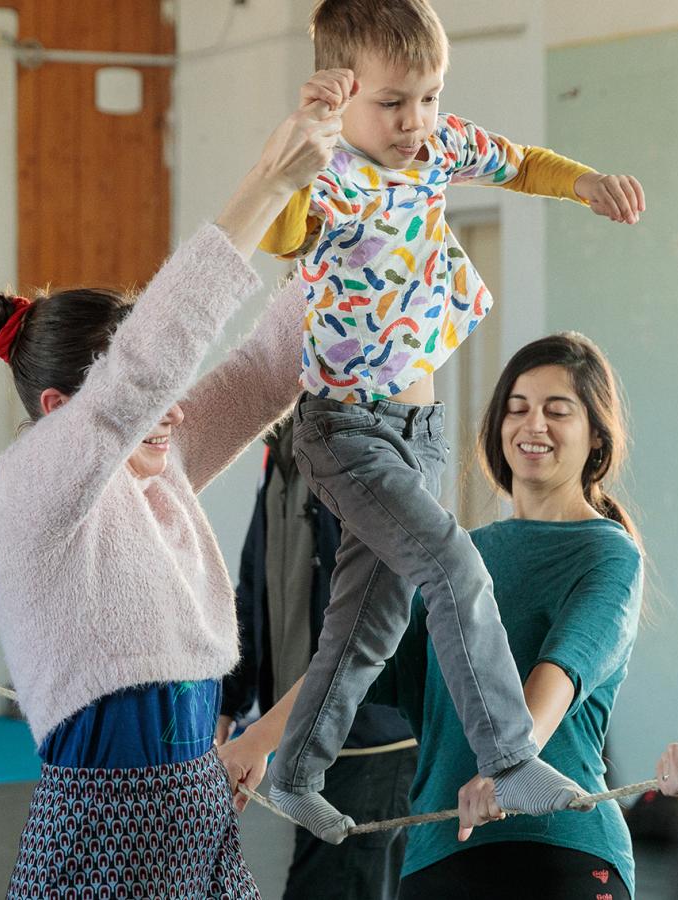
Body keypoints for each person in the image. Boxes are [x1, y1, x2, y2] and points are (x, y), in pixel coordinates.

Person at [256, 0, 646, 840]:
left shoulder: (436, 146)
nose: (414, 120)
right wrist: (303, 139)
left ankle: (295, 772)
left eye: (428, 96)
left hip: (419, 435)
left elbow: (519, 163)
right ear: (341, 93)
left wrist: (585, 184)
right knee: (455, 565)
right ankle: (509, 755)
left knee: (369, 621)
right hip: (345, 429)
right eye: (392, 102)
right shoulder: (328, 173)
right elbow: (283, 232)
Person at [0, 85, 341, 898]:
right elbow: (147, 368)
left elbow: (269, 368)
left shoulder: (152, 466)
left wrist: (360, 228)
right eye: (144, 398)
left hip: (197, 809)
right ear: (60, 411)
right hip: (102, 831)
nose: (171, 409)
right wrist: (266, 182)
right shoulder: (32, 485)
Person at [225, 333, 644, 897]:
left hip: (560, 847)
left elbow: (562, 671)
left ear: (596, 435)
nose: (533, 425)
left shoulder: (609, 551)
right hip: (440, 855)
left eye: (557, 411)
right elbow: (357, 658)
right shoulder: (457, 557)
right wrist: (259, 742)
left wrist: (509, 768)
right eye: (517, 409)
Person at [219, 418, 419, 899]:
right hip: (304, 738)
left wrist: (259, 738)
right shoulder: (282, 452)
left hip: (366, 746)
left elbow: (369, 622)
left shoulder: (358, 454)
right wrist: (228, 707)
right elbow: (252, 590)